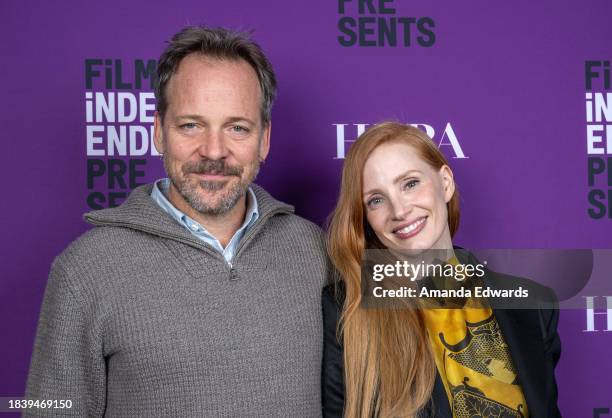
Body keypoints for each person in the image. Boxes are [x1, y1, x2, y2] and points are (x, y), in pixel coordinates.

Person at [25, 26, 328, 417]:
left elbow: (421, 300)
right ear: (158, 132)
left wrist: (425, 203)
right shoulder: (84, 270)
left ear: (264, 140)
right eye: (191, 125)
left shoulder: (315, 249)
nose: (214, 151)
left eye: (237, 127)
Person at [322, 122, 561, 417]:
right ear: (366, 218)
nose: (399, 211)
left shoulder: (533, 304)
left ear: (445, 182)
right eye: (376, 200)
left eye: (410, 183)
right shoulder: (344, 311)